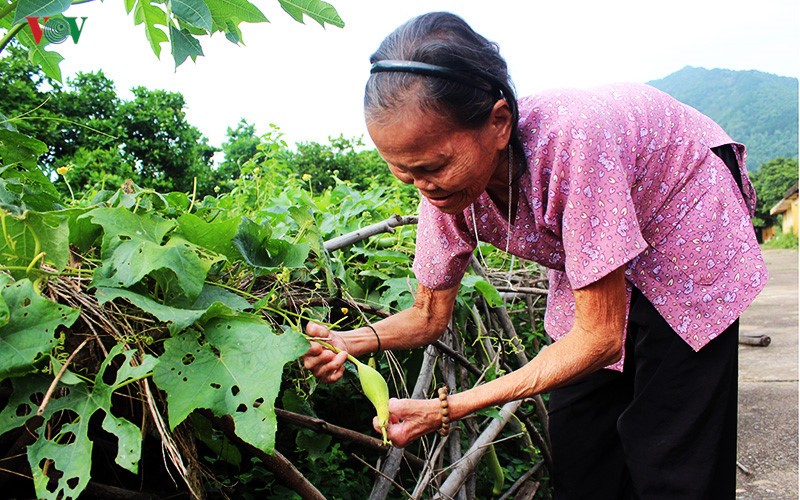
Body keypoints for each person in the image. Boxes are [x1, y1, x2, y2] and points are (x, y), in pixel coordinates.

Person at [302, 11, 767, 499]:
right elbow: (428, 313)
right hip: (599, 242)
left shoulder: (574, 141)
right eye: (401, 170)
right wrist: (352, 341)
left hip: (684, 222)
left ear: (499, 122)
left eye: (433, 165)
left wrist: (450, 406)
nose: (422, 185)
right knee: (583, 445)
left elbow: (600, 338)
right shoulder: (443, 191)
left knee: (672, 444)